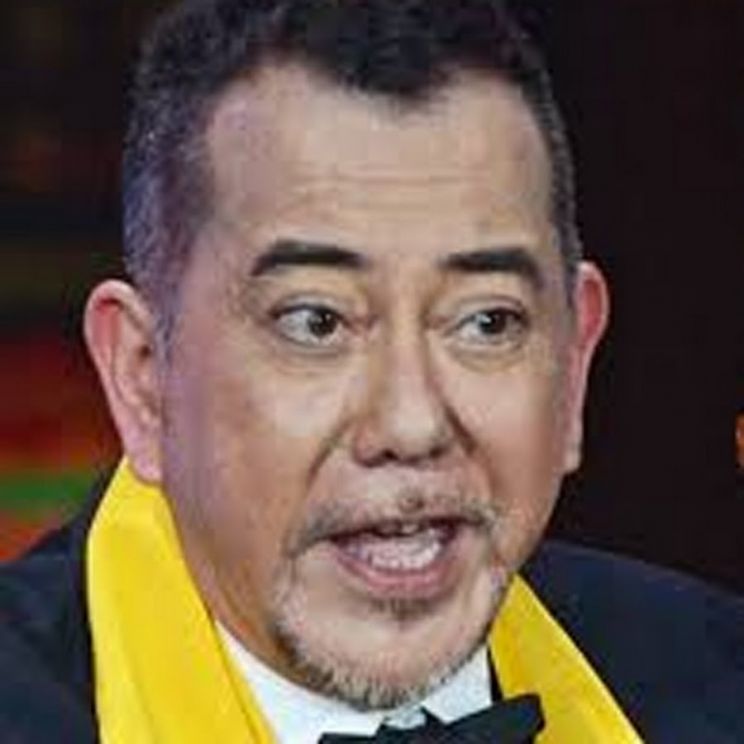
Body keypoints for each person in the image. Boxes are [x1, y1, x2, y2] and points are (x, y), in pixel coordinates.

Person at [1, 0, 742, 741]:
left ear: (573, 365)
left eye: (488, 322)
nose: (410, 424)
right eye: (315, 322)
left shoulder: (716, 681)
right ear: (143, 381)